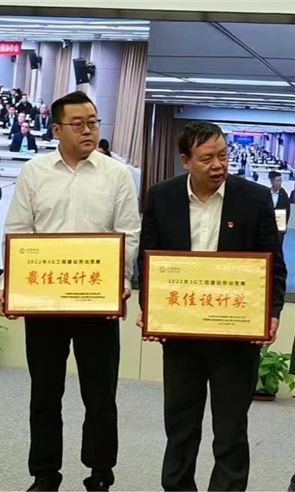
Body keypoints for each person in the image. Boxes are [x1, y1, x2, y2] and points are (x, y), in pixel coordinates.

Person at [0, 91, 140, 492]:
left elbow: (128, 234)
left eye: (93, 122)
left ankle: (100, 472)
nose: (88, 130)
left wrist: (120, 284)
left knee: (100, 394)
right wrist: (11, 285)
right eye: (78, 124)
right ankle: (45, 473)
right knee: (45, 392)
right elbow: (18, 233)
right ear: (57, 130)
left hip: (97, 302)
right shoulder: (34, 172)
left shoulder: (117, 174)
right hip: (45, 301)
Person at [136, 121, 286, 492]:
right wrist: (150, 307)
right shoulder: (162, 196)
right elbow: (149, 260)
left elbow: (273, 265)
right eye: (207, 158)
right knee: (180, 424)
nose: (218, 165)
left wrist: (271, 313)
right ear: (186, 160)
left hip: (235, 332)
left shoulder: (253, 198)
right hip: (182, 330)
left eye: (223, 155)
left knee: (230, 428)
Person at [269, 170, 290, 241]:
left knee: (279, 241)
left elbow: (287, 210)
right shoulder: (267, 193)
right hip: (268, 222)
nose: (280, 183)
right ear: (272, 182)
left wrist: (285, 224)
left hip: (280, 219)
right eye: (277, 181)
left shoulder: (284, 194)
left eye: (281, 181)